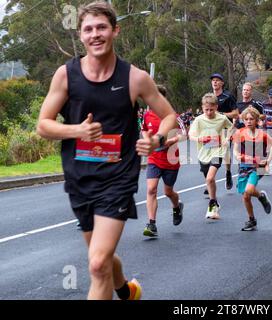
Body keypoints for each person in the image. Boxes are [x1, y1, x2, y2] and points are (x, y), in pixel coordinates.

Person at [36, 1, 177, 300]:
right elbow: (43, 125)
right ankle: (126, 290)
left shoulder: (134, 77)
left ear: (115, 30)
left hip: (117, 179)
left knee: (97, 263)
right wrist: (77, 131)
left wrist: (158, 139)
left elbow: (169, 116)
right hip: (80, 179)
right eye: (88, 29)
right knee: (99, 256)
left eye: (102, 27)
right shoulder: (66, 75)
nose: (95, 34)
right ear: (80, 35)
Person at [142, 85, 187, 238]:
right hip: (154, 157)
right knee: (151, 189)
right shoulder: (147, 115)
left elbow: (184, 134)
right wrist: (146, 139)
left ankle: (176, 206)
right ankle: (152, 223)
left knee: (168, 192)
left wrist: (171, 140)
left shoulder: (172, 116)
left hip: (170, 158)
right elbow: (143, 129)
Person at [188, 93, 234, 219]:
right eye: (206, 109)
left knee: (209, 179)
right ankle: (215, 202)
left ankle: (212, 204)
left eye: (211, 110)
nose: (209, 112)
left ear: (216, 107)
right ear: (202, 108)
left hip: (218, 151)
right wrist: (199, 139)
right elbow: (191, 135)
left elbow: (231, 128)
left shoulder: (222, 118)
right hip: (203, 153)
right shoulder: (198, 120)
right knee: (209, 180)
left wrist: (227, 139)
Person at [233, 107, 272, 231]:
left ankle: (261, 196)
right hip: (244, 166)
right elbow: (235, 149)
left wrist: (267, 160)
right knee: (246, 196)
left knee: (249, 190)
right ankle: (252, 219)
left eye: (251, 119)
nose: (249, 121)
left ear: (257, 120)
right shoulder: (239, 133)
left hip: (258, 167)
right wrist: (237, 155)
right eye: (246, 119)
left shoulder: (262, 134)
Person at [210, 73, 238, 190]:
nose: (215, 82)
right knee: (210, 154)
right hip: (212, 130)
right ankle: (210, 180)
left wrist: (222, 115)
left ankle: (228, 172)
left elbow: (236, 113)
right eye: (213, 80)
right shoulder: (209, 96)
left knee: (225, 153)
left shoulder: (228, 96)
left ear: (222, 83)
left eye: (217, 80)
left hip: (226, 129)